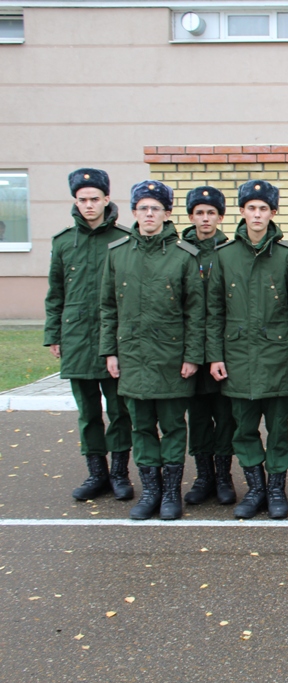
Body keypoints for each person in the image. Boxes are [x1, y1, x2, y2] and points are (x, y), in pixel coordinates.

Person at [99, 180, 204, 520]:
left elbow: (195, 311)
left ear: (167, 213)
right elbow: (108, 307)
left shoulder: (183, 255)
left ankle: (171, 493)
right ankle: (150, 492)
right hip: (132, 356)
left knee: (173, 427)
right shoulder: (118, 253)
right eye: (143, 208)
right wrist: (110, 351)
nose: (148, 214)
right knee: (141, 426)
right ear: (134, 212)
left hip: (171, 358)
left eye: (155, 208)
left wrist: (192, 356)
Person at [206, 180, 288, 520]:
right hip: (237, 358)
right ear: (241, 212)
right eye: (251, 208)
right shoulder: (224, 256)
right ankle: (255, 490)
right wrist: (215, 356)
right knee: (244, 429)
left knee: (279, 429)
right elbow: (214, 311)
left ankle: (276, 490)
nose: (257, 215)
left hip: (278, 358)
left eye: (263, 208)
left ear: (273, 213)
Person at [44, 168, 133, 502]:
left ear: (107, 199)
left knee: (120, 410)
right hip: (77, 338)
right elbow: (55, 293)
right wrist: (54, 334)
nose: (89, 205)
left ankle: (120, 473)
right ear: (76, 201)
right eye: (83, 200)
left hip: (115, 340)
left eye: (95, 199)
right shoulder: (63, 242)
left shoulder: (124, 239)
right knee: (88, 412)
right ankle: (97, 473)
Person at [180, 186, 237, 506]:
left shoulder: (227, 251)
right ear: (191, 216)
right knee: (199, 417)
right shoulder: (181, 251)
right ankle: (204, 477)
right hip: (189, 349)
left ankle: (224, 476)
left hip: (223, 349)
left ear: (220, 217)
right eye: (199, 213)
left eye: (211, 213)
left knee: (224, 415)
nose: (205, 218)